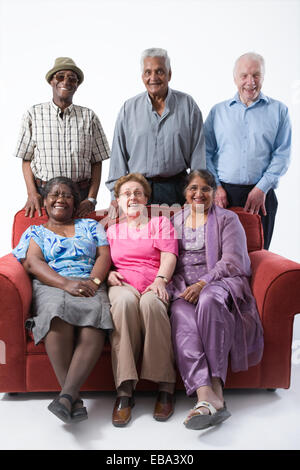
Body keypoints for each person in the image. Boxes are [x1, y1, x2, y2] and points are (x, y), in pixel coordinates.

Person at [167, 169, 264, 430]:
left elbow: (232, 260)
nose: (199, 194)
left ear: (213, 192)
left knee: (209, 300)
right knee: (180, 315)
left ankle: (216, 388)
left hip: (219, 282)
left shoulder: (228, 219)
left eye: (205, 189)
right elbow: (170, 260)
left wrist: (203, 283)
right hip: (183, 287)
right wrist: (183, 287)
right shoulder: (175, 221)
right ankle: (204, 395)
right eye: (193, 189)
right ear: (185, 194)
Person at [12, 176, 113, 424]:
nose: (60, 199)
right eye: (55, 194)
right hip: (52, 282)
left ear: (75, 202)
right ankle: (72, 398)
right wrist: (66, 284)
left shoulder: (91, 226)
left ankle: (66, 396)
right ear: (45, 201)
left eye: (67, 195)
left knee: (95, 323)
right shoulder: (36, 230)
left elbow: (103, 257)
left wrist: (94, 282)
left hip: (88, 281)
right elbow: (32, 263)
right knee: (56, 312)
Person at [106, 173, 178, 426]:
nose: (132, 197)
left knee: (151, 304)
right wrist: (107, 273)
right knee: (123, 304)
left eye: (137, 192)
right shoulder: (112, 230)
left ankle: (165, 385)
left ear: (146, 198)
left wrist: (160, 280)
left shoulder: (159, 224)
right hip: (122, 284)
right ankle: (124, 390)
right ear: (118, 200)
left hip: (153, 281)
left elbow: (169, 255)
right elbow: (103, 260)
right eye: (126, 193)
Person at [204, 52, 291, 249]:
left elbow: (282, 154)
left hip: (261, 196)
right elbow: (205, 152)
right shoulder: (218, 112)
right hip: (224, 195)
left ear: (263, 76)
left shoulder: (279, 111)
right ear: (235, 78)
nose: (250, 81)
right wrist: (216, 187)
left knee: (259, 255)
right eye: (244, 76)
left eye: (256, 75)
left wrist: (262, 188)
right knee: (221, 254)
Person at [106, 48, 205, 207]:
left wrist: (196, 193)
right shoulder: (128, 109)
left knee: (177, 232)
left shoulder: (188, 105)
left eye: (159, 71)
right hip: (137, 191)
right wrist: (115, 196)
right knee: (140, 232)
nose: (153, 78)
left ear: (169, 74)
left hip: (178, 189)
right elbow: (118, 157)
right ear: (142, 76)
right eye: (148, 72)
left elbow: (199, 155)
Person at [15, 57, 110, 218]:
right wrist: (32, 193)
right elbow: (26, 159)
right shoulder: (33, 114)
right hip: (44, 194)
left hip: (80, 196)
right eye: (60, 76)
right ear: (51, 81)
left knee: (82, 240)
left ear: (77, 85)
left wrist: (91, 199)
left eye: (72, 78)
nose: (66, 81)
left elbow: (97, 162)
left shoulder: (89, 116)